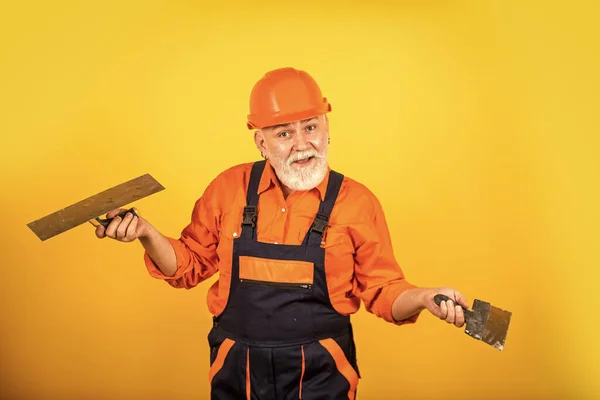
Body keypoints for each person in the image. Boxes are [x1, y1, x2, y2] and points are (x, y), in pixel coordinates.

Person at [96, 67, 468, 400]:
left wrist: (423, 297)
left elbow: (384, 291)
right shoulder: (228, 190)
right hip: (235, 370)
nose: (302, 143)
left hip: (323, 374)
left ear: (327, 128)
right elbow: (189, 265)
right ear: (261, 143)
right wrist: (145, 232)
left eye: (310, 126)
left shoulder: (358, 204)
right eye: (284, 133)